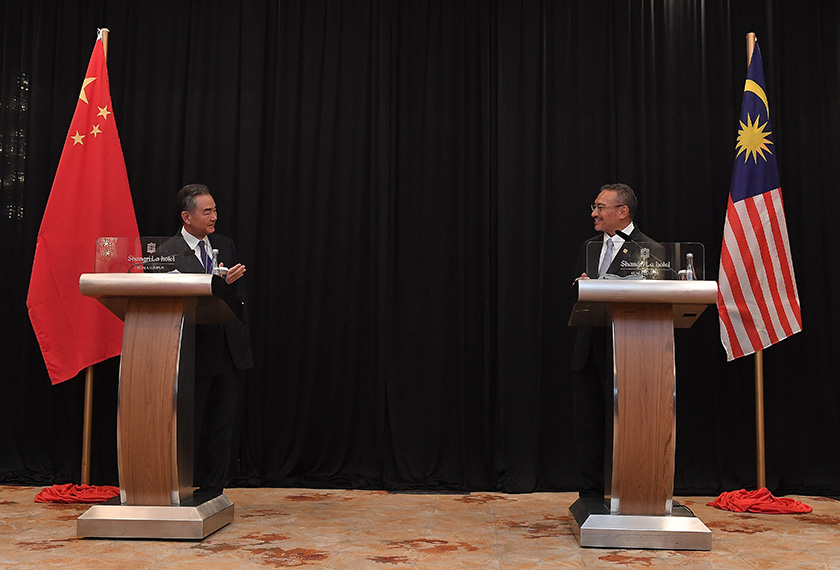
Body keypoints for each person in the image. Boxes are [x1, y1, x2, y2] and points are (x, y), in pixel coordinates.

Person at [570, 183, 661, 510]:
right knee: (589, 426)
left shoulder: (650, 249)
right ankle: (591, 495)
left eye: (600, 207)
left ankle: (635, 491)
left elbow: (651, 300)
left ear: (622, 211)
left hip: (629, 351)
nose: (594, 213)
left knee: (631, 426)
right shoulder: (589, 246)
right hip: (589, 349)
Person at [161, 183, 253, 498]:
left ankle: (214, 489)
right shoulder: (166, 252)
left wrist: (225, 288)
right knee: (190, 425)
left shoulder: (225, 245)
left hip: (228, 349)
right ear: (187, 217)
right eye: (207, 211)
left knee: (222, 425)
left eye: (214, 210)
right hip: (193, 351)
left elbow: (238, 298)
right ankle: (182, 487)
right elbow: (171, 302)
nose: (215, 216)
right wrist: (214, 284)